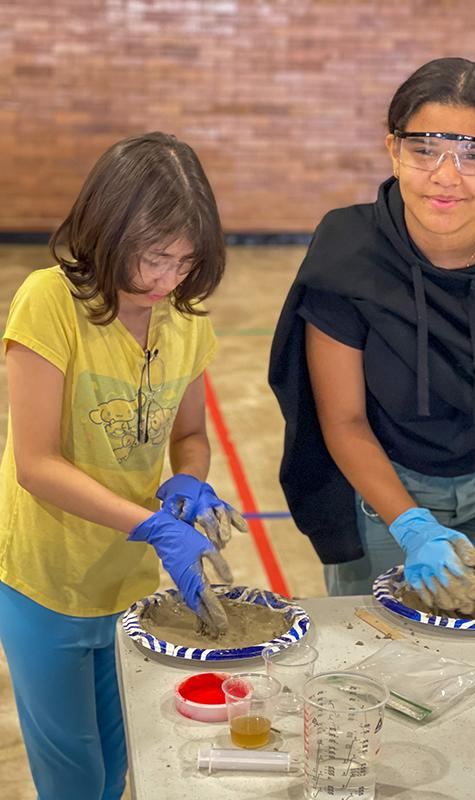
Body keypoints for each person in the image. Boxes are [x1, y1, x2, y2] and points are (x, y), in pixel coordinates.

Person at [269, 57, 475, 618]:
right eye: (425, 150)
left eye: (474, 155)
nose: (447, 175)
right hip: (383, 492)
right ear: (393, 150)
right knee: (384, 653)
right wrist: (411, 525)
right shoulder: (347, 251)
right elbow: (343, 420)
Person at [0, 132, 247, 800]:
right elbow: (35, 464)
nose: (167, 281)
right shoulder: (49, 302)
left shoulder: (183, 319)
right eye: (154, 259)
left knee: (119, 762)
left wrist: (190, 479)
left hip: (128, 583)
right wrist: (154, 526)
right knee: (75, 776)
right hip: (46, 579)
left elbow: (189, 433)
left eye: (184, 263)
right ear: (107, 232)